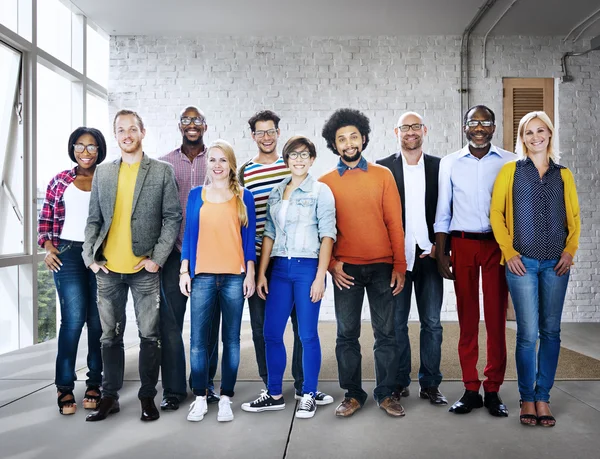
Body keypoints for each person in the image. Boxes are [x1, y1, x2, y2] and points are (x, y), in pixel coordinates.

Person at [83, 109, 182, 422]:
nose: (126, 135)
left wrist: (158, 259)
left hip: (144, 271)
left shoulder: (162, 171)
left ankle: (147, 397)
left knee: (149, 335)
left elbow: (172, 217)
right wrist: (90, 257)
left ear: (143, 132)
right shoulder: (103, 173)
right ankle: (109, 397)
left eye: (132, 129)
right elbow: (94, 219)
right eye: (120, 130)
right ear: (115, 135)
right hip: (108, 269)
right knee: (108, 336)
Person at [490, 111, 580, 427]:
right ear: (522, 138)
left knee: (551, 331)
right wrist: (509, 252)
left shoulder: (564, 174)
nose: (535, 137)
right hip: (522, 263)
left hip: (556, 263)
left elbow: (575, 218)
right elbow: (496, 215)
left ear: (550, 135)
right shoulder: (509, 172)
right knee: (527, 334)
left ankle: (543, 398)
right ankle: (527, 398)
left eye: (541, 131)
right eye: (529, 132)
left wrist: (570, 252)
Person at [238, 110, 333, 406]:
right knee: (269, 331)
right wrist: (262, 272)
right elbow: (268, 233)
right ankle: (275, 391)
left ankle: (308, 391)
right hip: (276, 267)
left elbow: (328, 234)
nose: (299, 160)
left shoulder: (320, 190)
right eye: (295, 155)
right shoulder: (276, 190)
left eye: (305, 155)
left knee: (306, 334)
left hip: (306, 267)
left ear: (312, 159)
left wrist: (320, 275)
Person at [319, 108, 407, 418]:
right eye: (341, 139)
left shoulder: (383, 175)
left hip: (383, 267)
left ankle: (386, 393)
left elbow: (395, 223)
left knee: (386, 334)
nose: (348, 143)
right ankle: (353, 394)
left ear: (364, 138)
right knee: (346, 335)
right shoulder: (325, 182)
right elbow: (323, 231)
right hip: (346, 271)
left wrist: (400, 266)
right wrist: (331, 266)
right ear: (334, 144)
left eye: (353, 136)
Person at [434, 105, 513, 417]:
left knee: (495, 319)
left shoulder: (510, 161)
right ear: (464, 126)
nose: (479, 127)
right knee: (467, 318)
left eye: (485, 122)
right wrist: (441, 252)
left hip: (497, 245)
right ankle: (470, 388)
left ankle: (492, 389)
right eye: (473, 122)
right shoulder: (450, 163)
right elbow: (444, 209)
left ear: (493, 127)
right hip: (463, 244)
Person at [180, 140, 256, 423]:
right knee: (199, 342)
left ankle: (225, 397)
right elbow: (189, 235)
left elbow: (249, 241)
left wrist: (249, 272)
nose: (217, 165)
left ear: (231, 164)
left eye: (223, 160)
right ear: (207, 164)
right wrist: (184, 271)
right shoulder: (195, 194)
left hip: (234, 278)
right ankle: (201, 396)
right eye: (212, 160)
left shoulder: (243, 197)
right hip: (202, 277)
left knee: (232, 341)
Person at [376, 112, 447, 407]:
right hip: (398, 260)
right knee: (396, 325)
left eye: (416, 126)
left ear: (425, 130)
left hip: (429, 256)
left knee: (432, 323)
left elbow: (449, 208)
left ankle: (430, 384)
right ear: (396, 132)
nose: (411, 132)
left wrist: (442, 247)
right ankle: (399, 382)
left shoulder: (440, 167)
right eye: (405, 127)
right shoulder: (383, 168)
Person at [38, 127, 107, 415]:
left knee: (99, 322)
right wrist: (48, 247)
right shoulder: (60, 181)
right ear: (73, 148)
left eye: (91, 147)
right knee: (73, 320)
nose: (85, 152)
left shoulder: (107, 180)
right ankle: (64, 386)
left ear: (99, 150)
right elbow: (45, 220)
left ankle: (94, 383)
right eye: (80, 146)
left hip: (100, 256)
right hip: (67, 254)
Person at [158, 106, 221, 411]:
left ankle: (204, 385)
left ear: (205, 126)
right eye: (186, 120)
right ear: (179, 125)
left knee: (207, 326)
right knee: (170, 325)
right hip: (174, 254)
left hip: (210, 255)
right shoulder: (165, 164)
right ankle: (172, 390)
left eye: (197, 120)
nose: (192, 124)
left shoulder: (218, 162)